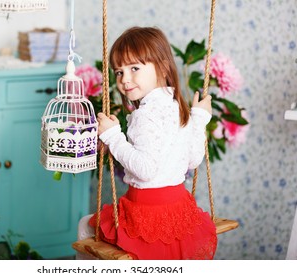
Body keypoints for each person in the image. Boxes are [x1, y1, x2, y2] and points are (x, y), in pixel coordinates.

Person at [79, 26, 217, 260]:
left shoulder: (145, 115)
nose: (125, 79)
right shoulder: (176, 106)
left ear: (162, 67)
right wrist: (200, 118)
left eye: (134, 68)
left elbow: (145, 169)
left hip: (148, 213)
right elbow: (193, 160)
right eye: (119, 72)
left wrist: (113, 136)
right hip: (178, 209)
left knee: (85, 226)